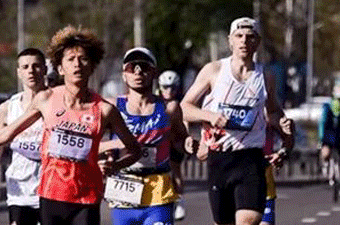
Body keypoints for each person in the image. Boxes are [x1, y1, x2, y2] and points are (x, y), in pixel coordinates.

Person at [0, 26, 143, 225]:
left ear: (91, 66)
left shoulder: (105, 110)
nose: (77, 65)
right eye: (71, 60)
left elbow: (134, 150)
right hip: (51, 195)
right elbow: (8, 132)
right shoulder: (46, 99)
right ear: (60, 68)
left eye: (83, 59)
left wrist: (114, 166)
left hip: (86, 198)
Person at [181, 17, 294, 225]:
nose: (244, 41)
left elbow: (273, 112)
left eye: (250, 37)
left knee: (248, 220)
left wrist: (282, 123)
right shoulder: (214, 70)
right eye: (239, 36)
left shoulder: (265, 76)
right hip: (220, 160)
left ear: (257, 42)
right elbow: (185, 108)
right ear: (230, 40)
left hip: (250, 159)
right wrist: (211, 116)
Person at [105, 47, 195, 225]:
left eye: (144, 67)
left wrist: (190, 144)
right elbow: (93, 143)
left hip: (158, 189)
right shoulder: (111, 106)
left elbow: (181, 140)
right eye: (132, 67)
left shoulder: (169, 108)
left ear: (154, 73)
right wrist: (112, 148)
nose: (138, 72)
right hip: (124, 187)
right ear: (124, 75)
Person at [0, 48, 48, 225]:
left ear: (45, 69)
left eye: (36, 66)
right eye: (25, 67)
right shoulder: (7, 108)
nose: (31, 71)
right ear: (19, 72)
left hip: (50, 186)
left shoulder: (55, 103)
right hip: (19, 189)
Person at [157, 70, 188, 220]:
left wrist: (185, 141)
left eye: (172, 87)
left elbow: (185, 123)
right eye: (165, 87)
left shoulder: (181, 102)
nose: (168, 91)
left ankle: (180, 200)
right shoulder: (155, 101)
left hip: (175, 141)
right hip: (160, 142)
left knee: (175, 168)